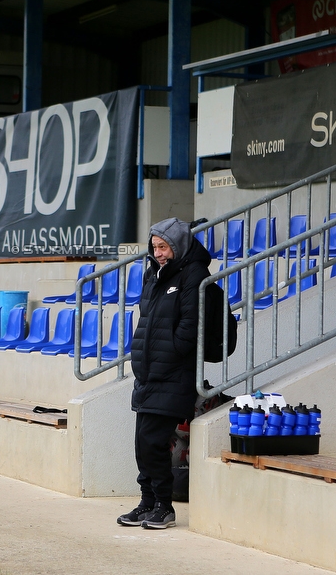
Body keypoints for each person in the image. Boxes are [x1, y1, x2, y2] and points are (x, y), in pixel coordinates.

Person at [117, 217, 211, 530]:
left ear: (178, 244)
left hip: (173, 373)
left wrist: (169, 352)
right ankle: (147, 503)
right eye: (155, 247)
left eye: (164, 246)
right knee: (141, 444)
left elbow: (189, 325)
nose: (158, 253)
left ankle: (164, 506)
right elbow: (147, 318)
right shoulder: (153, 274)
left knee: (154, 441)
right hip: (149, 373)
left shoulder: (194, 273)